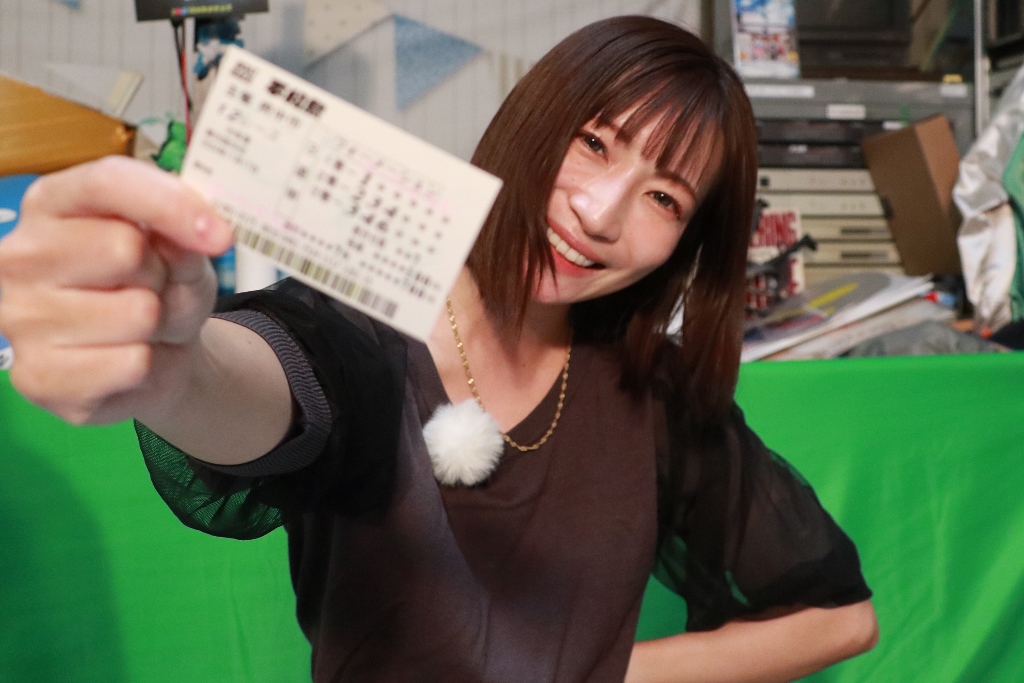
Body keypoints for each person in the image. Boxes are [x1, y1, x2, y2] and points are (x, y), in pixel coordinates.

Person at [0, 15, 878, 683]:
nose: (599, 212)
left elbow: (843, 618)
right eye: (594, 143)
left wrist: (599, 672)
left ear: (685, 246)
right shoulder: (363, 326)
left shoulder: (654, 392)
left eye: (664, 198)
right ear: (535, 117)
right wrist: (172, 355)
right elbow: (267, 374)